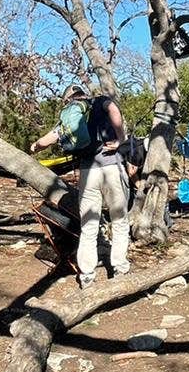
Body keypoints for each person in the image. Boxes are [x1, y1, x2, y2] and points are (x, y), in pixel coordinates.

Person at [31, 85, 130, 288]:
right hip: (112, 167)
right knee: (119, 219)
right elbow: (113, 108)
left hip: (88, 171)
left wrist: (33, 147)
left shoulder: (69, 116)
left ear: (69, 99)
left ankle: (87, 275)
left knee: (89, 225)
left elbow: (47, 139)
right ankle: (120, 267)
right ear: (84, 93)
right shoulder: (99, 102)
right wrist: (121, 138)